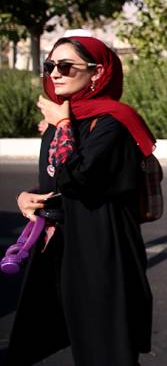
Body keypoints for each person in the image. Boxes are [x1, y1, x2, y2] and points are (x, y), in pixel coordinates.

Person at [8, 36, 156, 365]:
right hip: (65, 244)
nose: (54, 74)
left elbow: (77, 178)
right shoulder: (66, 119)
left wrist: (61, 125)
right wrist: (28, 197)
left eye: (65, 66)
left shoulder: (113, 122)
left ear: (97, 72)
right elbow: (56, 180)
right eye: (49, 67)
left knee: (106, 347)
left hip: (103, 246)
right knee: (75, 338)